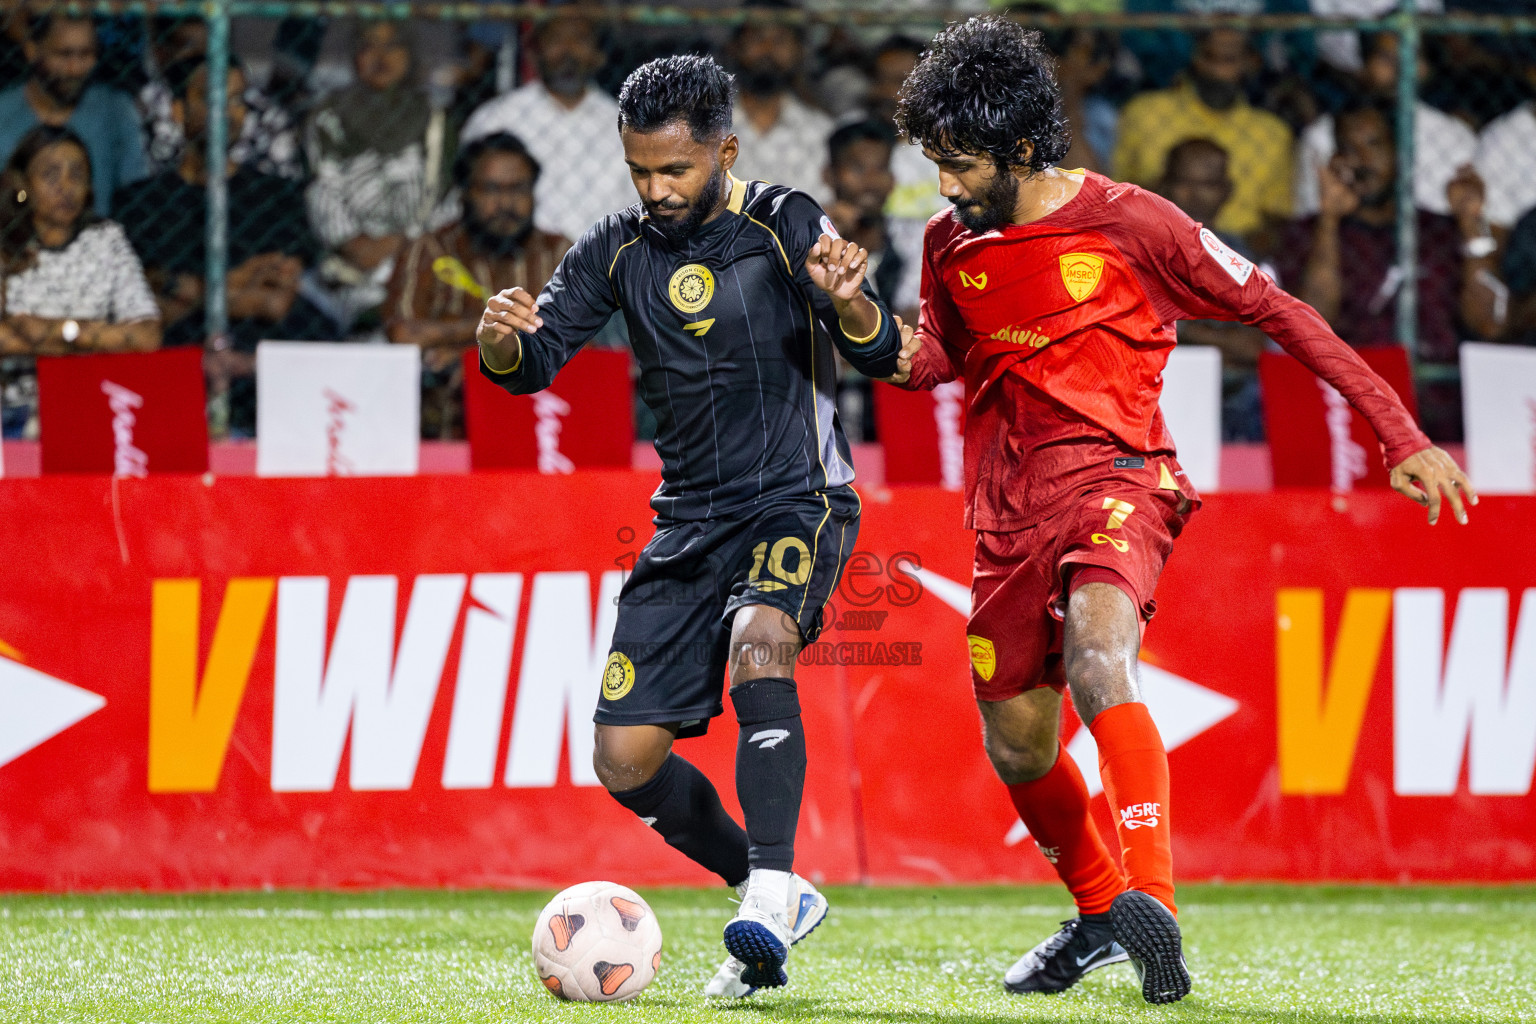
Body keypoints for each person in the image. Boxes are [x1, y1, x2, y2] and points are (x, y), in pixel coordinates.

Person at [892, 16, 1474, 1005]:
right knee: (1017, 744)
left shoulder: (1134, 222)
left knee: (1097, 656)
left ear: (1022, 147)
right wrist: (849, 316)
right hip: (1007, 511)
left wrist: (1399, 431)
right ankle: (1098, 918)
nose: (944, 185)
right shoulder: (951, 241)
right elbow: (933, 360)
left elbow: (1278, 310)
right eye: (936, 163)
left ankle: (1149, 904)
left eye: (958, 163)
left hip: (1119, 479)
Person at [475, 54, 916, 999]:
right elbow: (536, 360)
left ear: (724, 149)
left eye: (674, 170)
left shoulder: (786, 222)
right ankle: (770, 890)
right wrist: (501, 344)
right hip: (686, 523)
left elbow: (884, 353)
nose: (656, 189)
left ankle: (764, 887)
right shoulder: (617, 247)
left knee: (764, 642)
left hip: (797, 497)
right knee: (625, 761)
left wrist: (852, 302)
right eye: (638, 170)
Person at [113, 55, 332, 435]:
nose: (225, 112)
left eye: (236, 100)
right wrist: (246, 286)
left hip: (264, 365)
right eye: (210, 98)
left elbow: (277, 298)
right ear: (179, 111)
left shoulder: (274, 195)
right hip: (175, 364)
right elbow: (144, 307)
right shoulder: (140, 202)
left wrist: (186, 289)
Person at [1275, 99, 1502, 441]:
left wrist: (1472, 225)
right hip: (1353, 410)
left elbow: (1489, 323)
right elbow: (1312, 325)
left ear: (1401, 153)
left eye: (1374, 145)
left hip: (1440, 405)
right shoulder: (1310, 234)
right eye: (1350, 148)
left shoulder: (1439, 230)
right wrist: (1329, 219)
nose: (1363, 161)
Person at [384, 132, 570, 438]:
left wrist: (467, 354)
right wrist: (493, 331)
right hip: (446, 426)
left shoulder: (557, 252)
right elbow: (403, 334)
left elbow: (583, 343)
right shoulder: (429, 251)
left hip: (544, 421)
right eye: (491, 189)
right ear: (464, 194)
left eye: (519, 189)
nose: (506, 203)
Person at [0, 126, 161, 438]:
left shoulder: (107, 240)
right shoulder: (4, 244)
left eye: (77, 175)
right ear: (23, 185)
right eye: (50, 175)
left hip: (94, 403)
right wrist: (100, 339)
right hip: (15, 412)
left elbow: (146, 336)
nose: (66, 187)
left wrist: (56, 331)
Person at [305, 20, 447, 332]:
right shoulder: (328, 115)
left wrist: (404, 244)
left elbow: (444, 194)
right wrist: (353, 245)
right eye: (369, 45)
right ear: (354, 55)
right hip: (344, 268)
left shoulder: (434, 118)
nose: (380, 56)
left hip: (418, 261)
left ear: (409, 55)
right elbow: (321, 187)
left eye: (392, 45)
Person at [459, 12, 632, 244]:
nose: (567, 50)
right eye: (555, 40)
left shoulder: (628, 128)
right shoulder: (495, 119)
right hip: (514, 261)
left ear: (599, 56)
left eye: (580, 40)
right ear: (533, 53)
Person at [1113, 27, 1293, 244]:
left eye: (1229, 59)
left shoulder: (1273, 134)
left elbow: (1278, 219)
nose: (1218, 71)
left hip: (1237, 251)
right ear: (1195, 57)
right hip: (1154, 239)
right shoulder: (1145, 113)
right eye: (1210, 57)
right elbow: (1116, 195)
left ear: (1250, 62)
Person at [1293, 32, 1477, 221]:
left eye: (1412, 56)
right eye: (1385, 58)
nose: (1399, 68)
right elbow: (1310, 220)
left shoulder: (1454, 136)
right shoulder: (1321, 135)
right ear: (1363, 66)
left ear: (1426, 68)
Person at [1156, 138, 1267, 440]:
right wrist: (1218, 342)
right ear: (1163, 186)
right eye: (1183, 182)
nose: (1194, 195)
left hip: (1230, 389)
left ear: (1226, 191)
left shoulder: (1241, 255)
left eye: (1207, 184)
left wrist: (1184, 331)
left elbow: (1252, 348)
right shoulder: (1143, 249)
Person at [0, 14, 147, 218]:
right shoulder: (4, 113)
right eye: (64, 54)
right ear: (32, 50)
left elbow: (136, 195)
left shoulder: (116, 111)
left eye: (86, 54)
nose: (75, 68)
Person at [727, 0, 834, 202]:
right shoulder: (704, 128)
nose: (767, 49)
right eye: (757, 38)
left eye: (780, 40)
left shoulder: (821, 133)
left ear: (799, 51)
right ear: (735, 46)